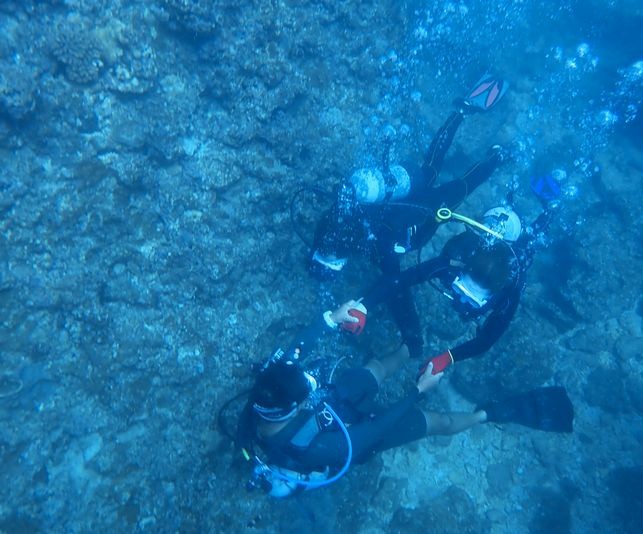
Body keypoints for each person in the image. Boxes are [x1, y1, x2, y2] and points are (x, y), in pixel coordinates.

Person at [233, 301, 574, 498]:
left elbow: (295, 350)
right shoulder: (313, 448)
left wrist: (331, 320)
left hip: (328, 408)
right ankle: (487, 415)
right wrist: (417, 392)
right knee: (440, 422)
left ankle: (410, 346)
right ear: (294, 404)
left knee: (375, 368)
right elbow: (376, 429)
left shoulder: (270, 382)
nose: (310, 379)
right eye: (306, 385)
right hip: (354, 436)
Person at [308, 74, 510, 359]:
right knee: (430, 168)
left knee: (461, 185)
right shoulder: (342, 223)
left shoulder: (371, 243)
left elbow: (398, 286)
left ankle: (497, 157)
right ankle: (463, 112)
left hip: (425, 211)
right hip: (404, 194)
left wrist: (410, 334)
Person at [356, 204, 555, 374]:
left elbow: (487, 339)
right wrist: (363, 306)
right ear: (461, 272)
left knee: (528, 247)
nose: (461, 302)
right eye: (460, 290)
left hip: (514, 258)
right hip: (474, 245)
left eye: (472, 300)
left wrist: (449, 357)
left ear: (493, 295)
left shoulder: (510, 292)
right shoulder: (453, 262)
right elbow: (402, 280)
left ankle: (551, 210)